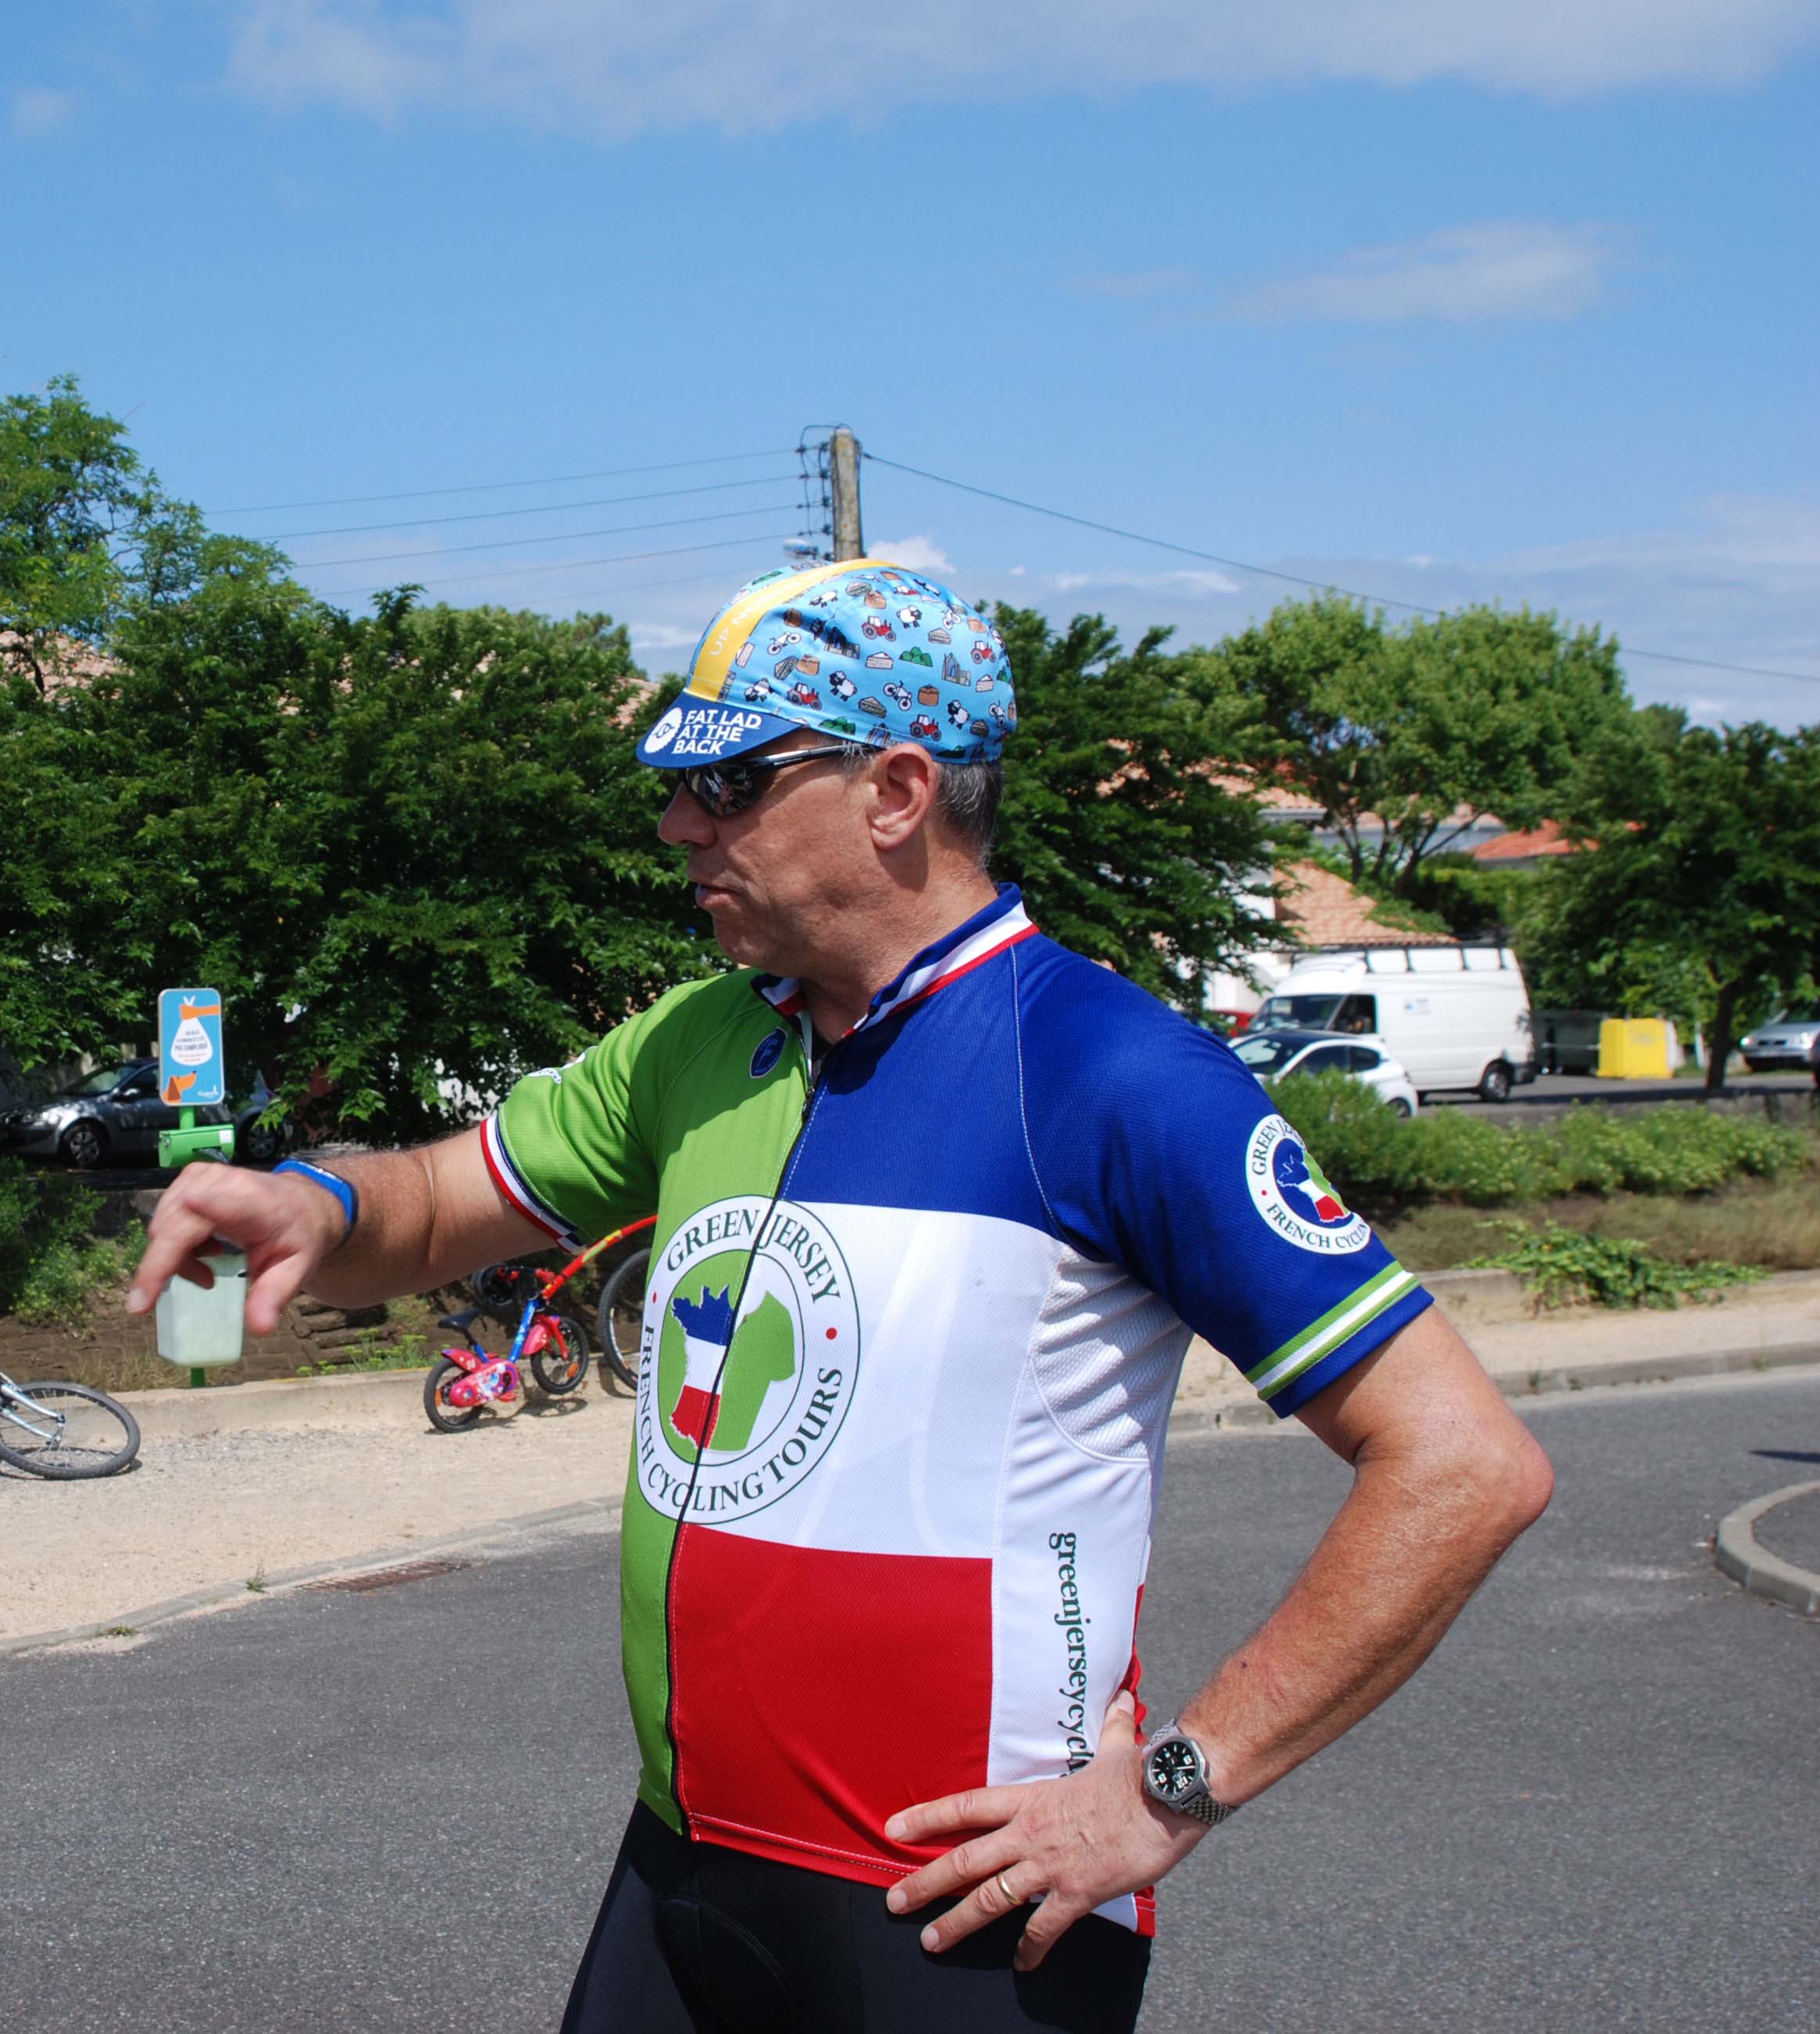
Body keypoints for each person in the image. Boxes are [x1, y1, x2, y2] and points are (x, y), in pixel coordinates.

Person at [131, 561, 1553, 2032]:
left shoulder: (1106, 1070)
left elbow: (1463, 1464)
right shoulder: (702, 1040)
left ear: (898, 791)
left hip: (965, 1910)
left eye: (731, 783)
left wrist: (1171, 1789)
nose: (681, 825)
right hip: (681, 1867)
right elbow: (440, 1203)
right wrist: (322, 1203)